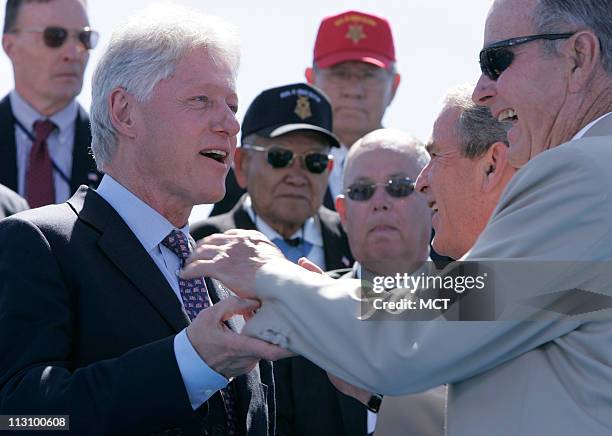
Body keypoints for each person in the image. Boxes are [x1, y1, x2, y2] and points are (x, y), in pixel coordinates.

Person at [182, 0, 612, 433]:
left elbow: (421, 331)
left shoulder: (586, 173)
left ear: (578, 56)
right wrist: (298, 309)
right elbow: (513, 359)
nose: (483, 89)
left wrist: (272, 275)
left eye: (497, 60)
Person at [0, 5, 286, 435]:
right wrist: (188, 363)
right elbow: (23, 419)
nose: (230, 124)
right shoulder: (37, 244)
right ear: (125, 112)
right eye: (201, 100)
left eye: (231, 105)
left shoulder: (223, 277)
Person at [275, 128, 443, 436]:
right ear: (343, 213)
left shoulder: (480, 303)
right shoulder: (303, 319)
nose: (380, 202)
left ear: (433, 199)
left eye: (399, 187)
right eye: (362, 191)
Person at [191, 83, 353, 271]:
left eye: (315, 160)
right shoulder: (200, 244)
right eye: (280, 157)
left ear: (329, 168)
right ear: (243, 164)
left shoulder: (357, 241)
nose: (297, 176)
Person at [0, 0, 100, 208]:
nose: (73, 54)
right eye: (55, 37)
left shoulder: (119, 156)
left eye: (84, 38)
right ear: (10, 46)